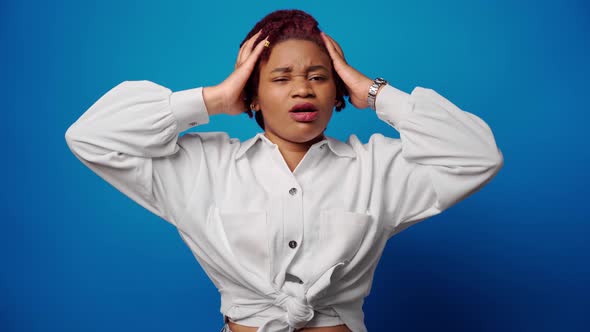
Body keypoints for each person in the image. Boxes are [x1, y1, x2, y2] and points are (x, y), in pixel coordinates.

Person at [65, 9, 503, 332]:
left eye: (319, 76)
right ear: (251, 96)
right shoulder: (202, 166)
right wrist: (213, 100)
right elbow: (91, 136)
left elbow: (478, 155)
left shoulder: (379, 166)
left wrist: (373, 91)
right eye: (280, 78)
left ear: (338, 94)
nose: (302, 89)